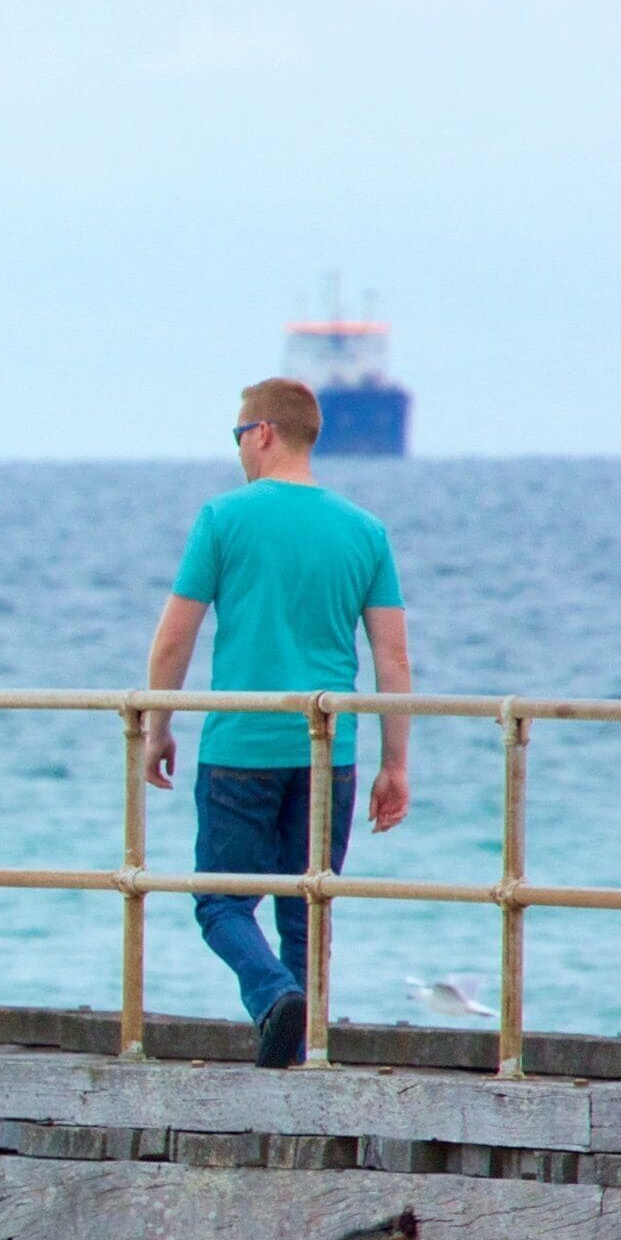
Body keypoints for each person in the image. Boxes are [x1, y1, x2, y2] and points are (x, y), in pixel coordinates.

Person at [142, 377, 410, 1066]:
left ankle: (270, 996)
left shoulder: (223, 519)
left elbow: (175, 639)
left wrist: (158, 726)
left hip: (241, 742)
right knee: (307, 907)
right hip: (332, 750)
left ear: (263, 432)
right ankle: (303, 1049)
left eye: (237, 434)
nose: (237, 448)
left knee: (221, 903)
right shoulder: (365, 530)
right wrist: (395, 763)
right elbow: (393, 659)